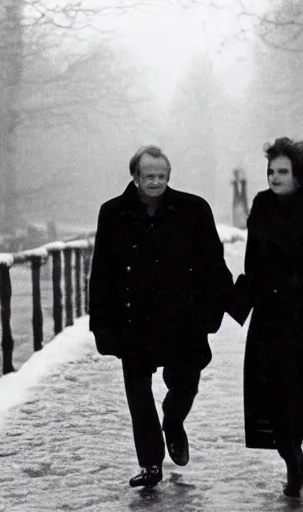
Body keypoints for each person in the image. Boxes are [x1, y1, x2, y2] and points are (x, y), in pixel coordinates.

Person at [89, 145, 233, 488]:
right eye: (149, 176)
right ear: (135, 177)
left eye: (162, 176)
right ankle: (151, 463)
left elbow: (213, 262)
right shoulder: (113, 213)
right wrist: (101, 324)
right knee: (138, 394)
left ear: (169, 177)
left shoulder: (193, 210)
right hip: (132, 320)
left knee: (186, 383)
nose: (156, 182)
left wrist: (211, 312)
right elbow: (103, 272)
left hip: (182, 317)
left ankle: (173, 421)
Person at [227, 137, 303, 497]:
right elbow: (253, 263)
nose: (274, 177)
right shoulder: (261, 205)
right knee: (272, 402)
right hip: (270, 321)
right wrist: (231, 301)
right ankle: (293, 465)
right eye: (271, 170)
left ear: (298, 175)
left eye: (282, 171)